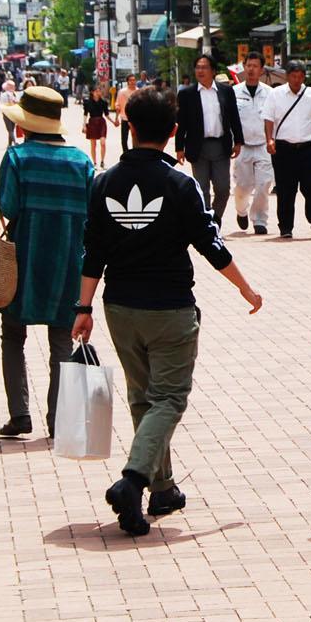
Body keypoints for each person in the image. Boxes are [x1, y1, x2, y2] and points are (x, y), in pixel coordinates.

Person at [74, 88, 262, 535]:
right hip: (171, 308)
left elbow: (92, 251)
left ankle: (161, 489)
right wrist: (246, 289)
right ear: (174, 132)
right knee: (170, 399)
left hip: (120, 307)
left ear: (129, 127)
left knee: (144, 399)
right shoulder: (182, 184)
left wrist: (82, 307)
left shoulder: (103, 182)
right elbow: (210, 246)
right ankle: (134, 480)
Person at [0, 87, 93, 439]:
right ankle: (57, 421)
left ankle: (19, 414)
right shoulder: (82, 161)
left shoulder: (18, 158)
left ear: (24, 126)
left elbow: (7, 207)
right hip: (69, 263)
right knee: (62, 342)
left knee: (12, 336)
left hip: (25, 260)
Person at [263, 60, 311, 239]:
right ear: (287, 76)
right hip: (283, 149)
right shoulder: (275, 94)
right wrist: (269, 139)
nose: (297, 80)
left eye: (300, 76)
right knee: (286, 189)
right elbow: (268, 118)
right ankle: (285, 227)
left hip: (308, 148)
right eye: (294, 76)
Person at [175, 54, 243, 227]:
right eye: (198, 67)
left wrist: (238, 141)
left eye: (204, 67)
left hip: (221, 146)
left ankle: (215, 217)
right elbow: (181, 122)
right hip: (198, 147)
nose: (200, 70)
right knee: (201, 189)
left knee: (223, 189)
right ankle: (206, 224)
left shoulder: (226, 91)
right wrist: (179, 147)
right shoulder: (187, 94)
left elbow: (234, 117)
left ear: (213, 71)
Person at [230, 53, 274, 236]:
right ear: (244, 67)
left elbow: (274, 119)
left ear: (261, 70)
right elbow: (230, 120)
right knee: (242, 186)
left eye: (255, 66)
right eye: (248, 65)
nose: (251, 69)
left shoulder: (270, 93)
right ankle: (241, 211)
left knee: (264, 184)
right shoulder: (234, 92)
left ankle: (259, 220)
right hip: (243, 146)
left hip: (264, 145)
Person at [81, 83, 112, 167]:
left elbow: (106, 114)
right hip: (92, 123)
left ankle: (102, 161)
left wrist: (113, 122)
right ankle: (94, 162)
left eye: (99, 90)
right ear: (92, 92)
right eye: (96, 91)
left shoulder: (103, 102)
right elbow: (85, 114)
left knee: (103, 142)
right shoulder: (87, 102)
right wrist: (84, 125)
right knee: (93, 144)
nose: (99, 92)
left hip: (101, 123)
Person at [115, 75, 137, 154]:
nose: (133, 82)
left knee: (136, 138)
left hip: (135, 119)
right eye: (131, 80)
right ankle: (126, 155)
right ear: (127, 81)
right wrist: (116, 118)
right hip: (125, 118)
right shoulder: (122, 92)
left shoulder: (138, 92)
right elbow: (118, 105)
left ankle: (135, 154)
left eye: (134, 80)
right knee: (124, 139)